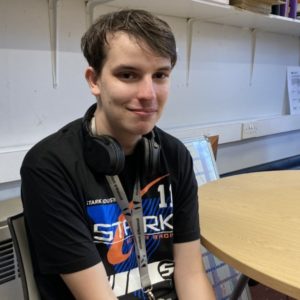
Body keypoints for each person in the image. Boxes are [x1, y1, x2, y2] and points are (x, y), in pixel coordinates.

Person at [21, 9, 216, 300]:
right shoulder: (49, 166)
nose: (149, 93)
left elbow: (190, 273)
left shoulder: (175, 156)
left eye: (160, 75)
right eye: (128, 74)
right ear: (94, 80)